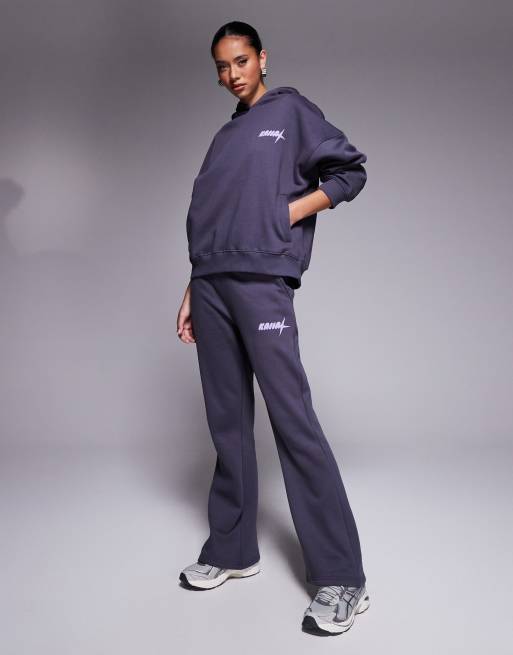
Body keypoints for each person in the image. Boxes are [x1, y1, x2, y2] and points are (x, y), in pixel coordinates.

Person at [176, 20, 370, 636]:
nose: (231, 73)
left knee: (292, 419)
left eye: (240, 60)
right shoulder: (224, 137)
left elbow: (349, 172)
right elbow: (211, 217)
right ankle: (232, 550)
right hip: (211, 282)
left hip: (262, 280)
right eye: (222, 65)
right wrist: (192, 285)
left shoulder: (291, 113)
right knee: (227, 422)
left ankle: (343, 576)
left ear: (261, 58)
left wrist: (286, 213)